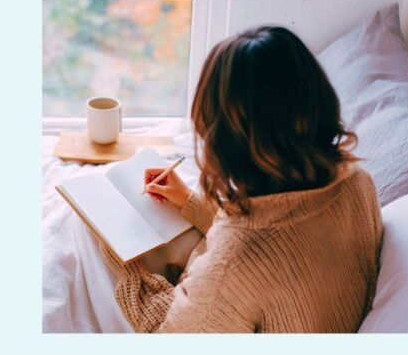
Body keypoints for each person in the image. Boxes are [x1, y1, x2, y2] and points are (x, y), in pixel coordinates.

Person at [100, 26, 383, 333]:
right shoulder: (357, 183)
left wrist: (130, 273)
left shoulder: (234, 262)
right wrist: (192, 204)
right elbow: (283, 237)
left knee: (89, 241)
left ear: (224, 138)